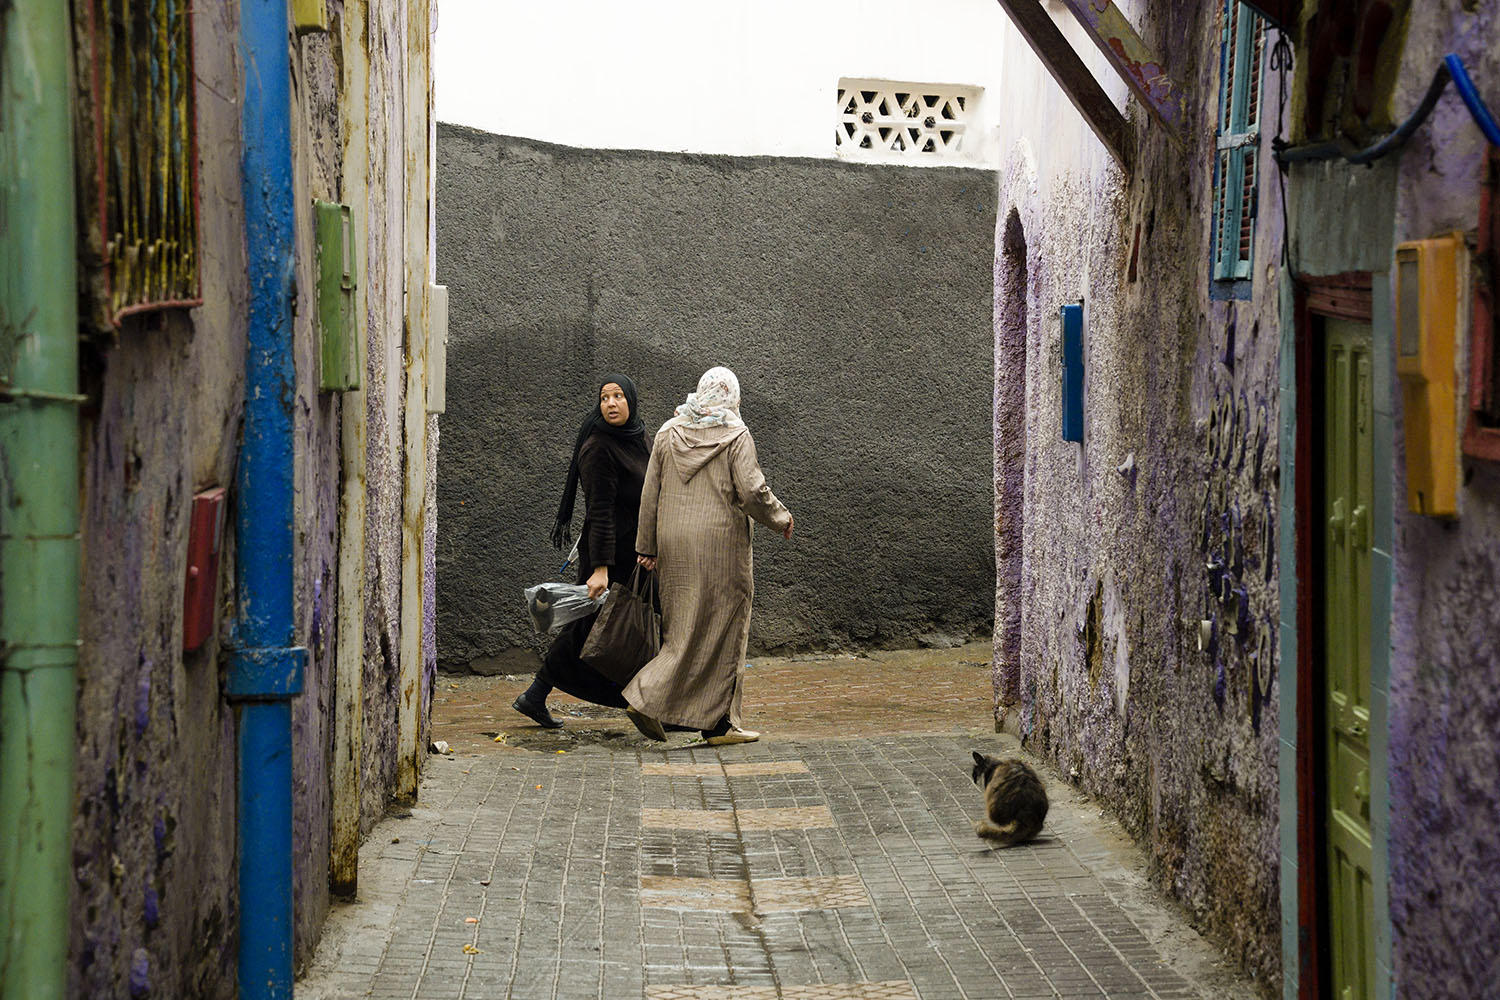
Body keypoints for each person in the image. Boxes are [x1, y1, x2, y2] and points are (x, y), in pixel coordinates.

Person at [623, 366, 794, 746]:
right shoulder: (736, 434)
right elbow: (751, 492)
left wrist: (646, 546)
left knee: (683, 628)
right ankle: (647, 696)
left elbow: (651, 492)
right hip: (720, 545)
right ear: (732, 396)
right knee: (726, 626)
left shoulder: (669, 432)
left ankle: (714, 724)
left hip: (674, 544)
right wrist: (780, 517)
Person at [512, 375, 650, 728]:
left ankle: (536, 694)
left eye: (619, 396)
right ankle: (640, 701)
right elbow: (599, 511)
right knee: (597, 630)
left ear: (631, 401)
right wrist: (600, 568)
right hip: (608, 556)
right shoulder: (599, 448)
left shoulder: (637, 439)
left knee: (595, 629)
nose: (612, 403)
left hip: (632, 554)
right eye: (605, 397)